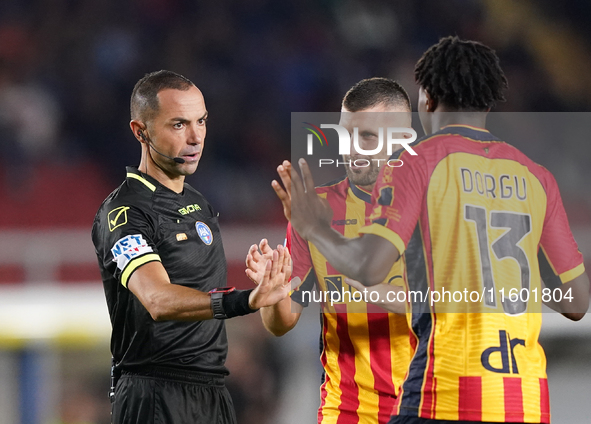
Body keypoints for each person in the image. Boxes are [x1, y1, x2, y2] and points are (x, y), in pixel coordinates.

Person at [288, 37, 590, 424]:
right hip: (526, 401)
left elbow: (369, 267)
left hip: (447, 394)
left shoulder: (415, 164)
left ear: (427, 99)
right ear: (487, 102)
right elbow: (576, 302)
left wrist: (315, 229)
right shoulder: (537, 177)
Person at [91, 70, 292, 424]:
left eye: (201, 121)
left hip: (213, 393)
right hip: (154, 395)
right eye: (179, 125)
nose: (196, 137)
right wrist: (243, 300)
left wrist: (270, 290)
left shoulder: (198, 202)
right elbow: (157, 299)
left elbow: (276, 323)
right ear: (141, 131)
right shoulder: (124, 213)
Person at [247, 78, 412, 424]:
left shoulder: (440, 207)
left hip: (431, 406)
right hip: (350, 411)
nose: (350, 149)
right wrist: (272, 291)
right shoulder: (316, 210)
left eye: (366, 136)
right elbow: (282, 322)